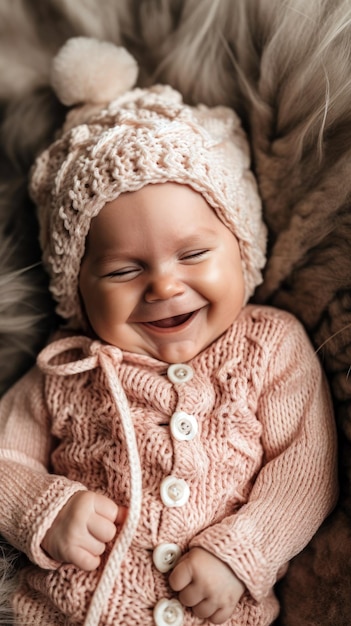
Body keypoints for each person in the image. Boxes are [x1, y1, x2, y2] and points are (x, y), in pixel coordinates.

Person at [0, 37, 337, 626]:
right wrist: (43, 509)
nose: (162, 286)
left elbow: (305, 468)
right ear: (76, 289)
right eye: (124, 270)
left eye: (194, 253)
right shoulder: (66, 368)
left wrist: (243, 553)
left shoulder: (270, 346)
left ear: (242, 249)